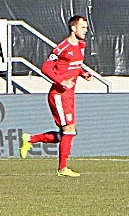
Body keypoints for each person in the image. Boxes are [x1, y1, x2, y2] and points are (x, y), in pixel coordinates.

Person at [20, 15, 92, 177]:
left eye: (86, 28)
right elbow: (46, 68)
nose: (85, 30)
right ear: (73, 28)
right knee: (69, 131)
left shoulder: (81, 45)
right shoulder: (62, 47)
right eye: (83, 27)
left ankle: (30, 139)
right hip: (59, 94)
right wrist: (61, 81)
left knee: (66, 133)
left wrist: (83, 74)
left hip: (69, 94)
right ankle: (62, 169)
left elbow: (75, 65)